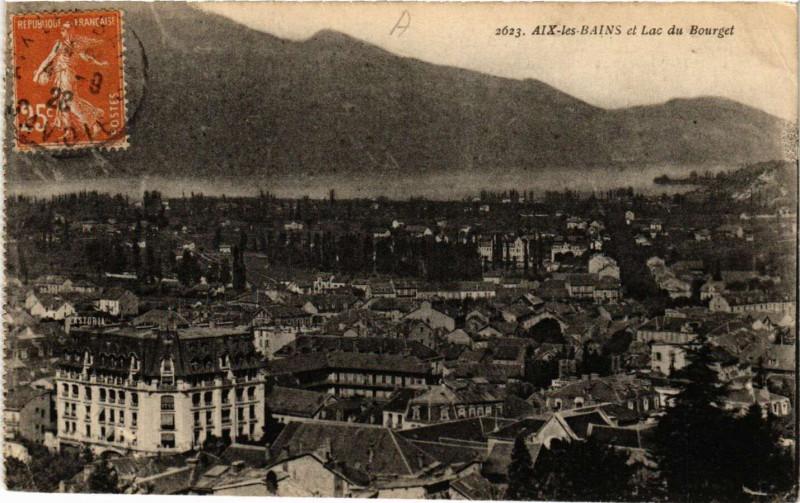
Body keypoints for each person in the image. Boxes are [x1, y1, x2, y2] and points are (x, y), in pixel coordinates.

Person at [33, 21, 108, 142]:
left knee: (70, 102)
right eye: (62, 29)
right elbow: (50, 58)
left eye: (65, 29)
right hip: (61, 75)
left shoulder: (75, 44)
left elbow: (86, 57)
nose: (62, 31)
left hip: (67, 75)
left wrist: (99, 63)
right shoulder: (61, 44)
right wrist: (38, 73)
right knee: (63, 103)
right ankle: (69, 132)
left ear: (70, 31)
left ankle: (92, 123)